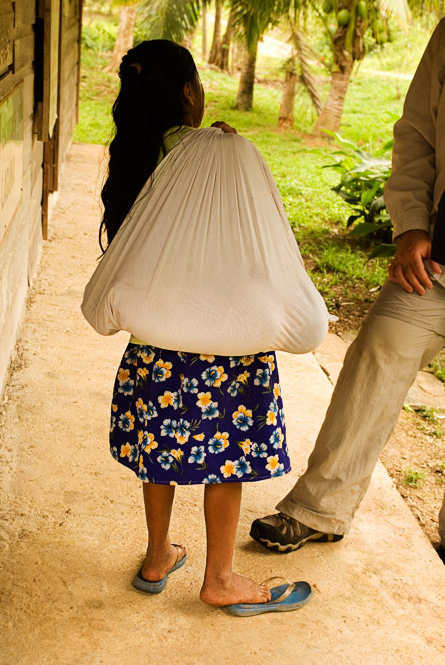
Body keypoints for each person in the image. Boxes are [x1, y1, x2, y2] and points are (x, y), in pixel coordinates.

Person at [97, 39, 316, 615]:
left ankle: (156, 556)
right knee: (231, 457)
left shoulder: (132, 157)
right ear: (191, 92)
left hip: (154, 350)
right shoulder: (226, 151)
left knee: (159, 455)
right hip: (230, 346)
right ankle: (220, 575)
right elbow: (261, 244)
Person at [250, 18, 445, 555]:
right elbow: (418, 137)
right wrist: (410, 225)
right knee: (377, 352)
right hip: (434, 267)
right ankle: (318, 510)